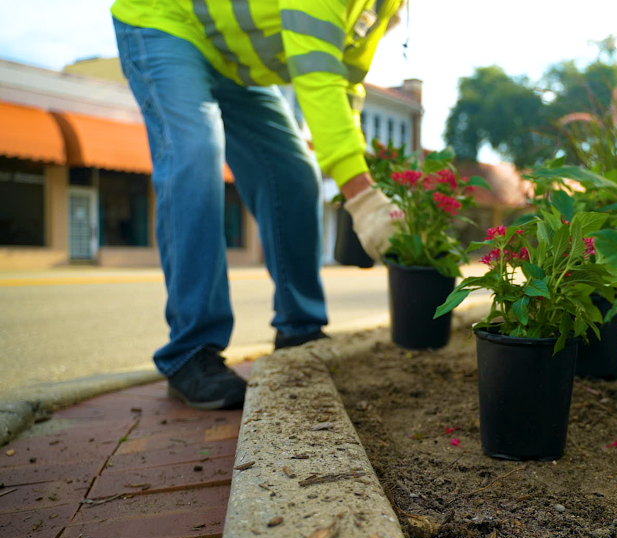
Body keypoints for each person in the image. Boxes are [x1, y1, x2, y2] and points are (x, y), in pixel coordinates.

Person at [109, 0, 400, 409]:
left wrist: (365, 180)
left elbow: (344, 85)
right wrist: (363, 198)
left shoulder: (381, 7)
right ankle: (191, 350)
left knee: (296, 173)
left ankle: (299, 327)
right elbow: (317, 78)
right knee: (195, 153)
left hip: (234, 64)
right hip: (165, 22)